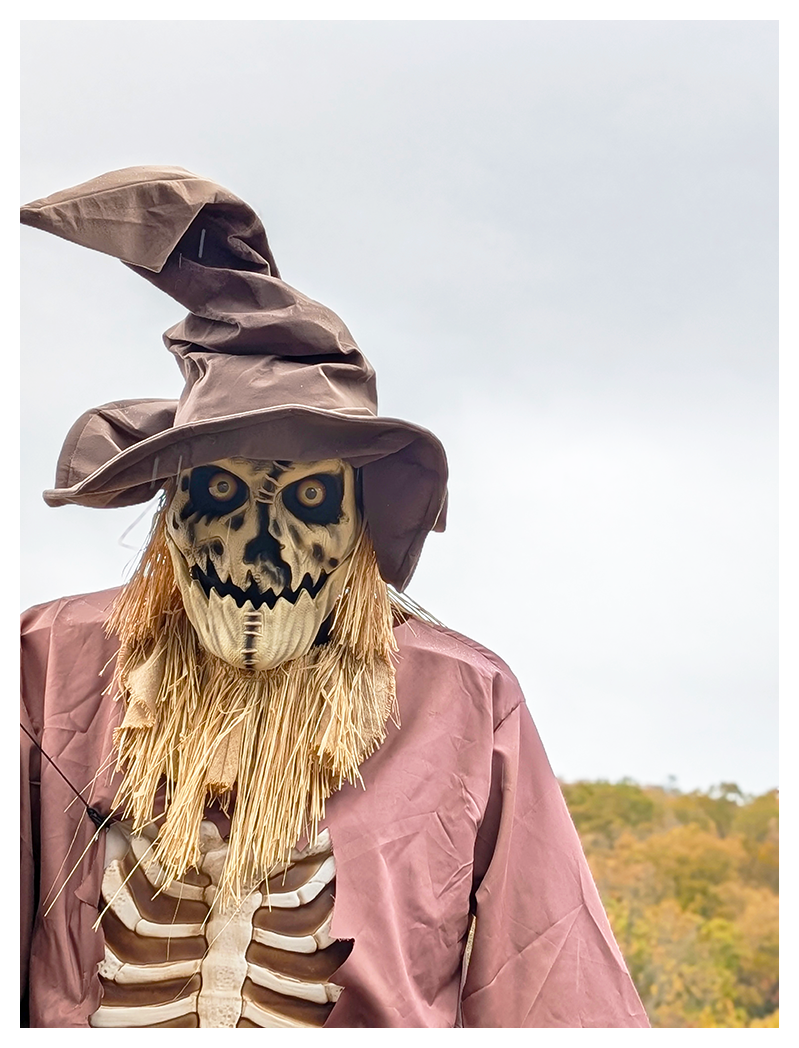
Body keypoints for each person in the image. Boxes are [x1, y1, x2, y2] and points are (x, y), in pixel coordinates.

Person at [20, 166, 649, 1029]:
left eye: (307, 499)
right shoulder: (50, 660)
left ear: (357, 522)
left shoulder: (459, 695)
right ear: (171, 515)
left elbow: (552, 986)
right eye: (220, 496)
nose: (261, 545)